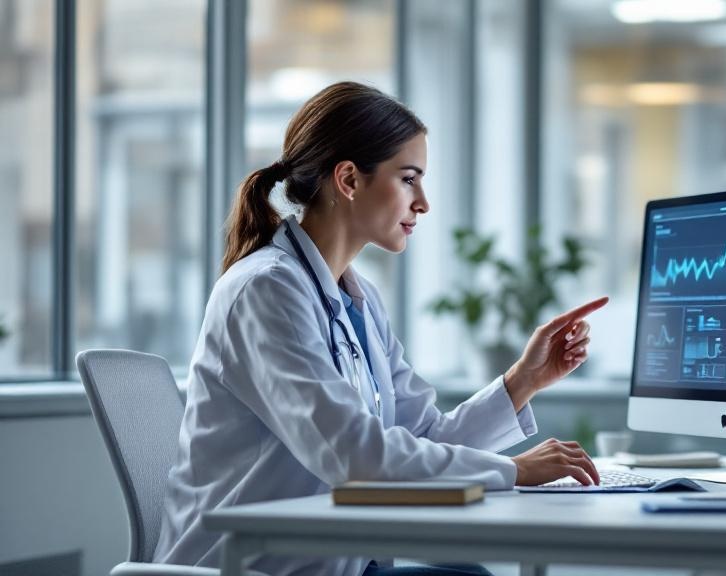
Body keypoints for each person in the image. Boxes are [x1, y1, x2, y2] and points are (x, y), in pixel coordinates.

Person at [154, 81, 607, 576]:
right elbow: (354, 457)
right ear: (349, 180)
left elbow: (423, 435)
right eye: (409, 179)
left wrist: (524, 380)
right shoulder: (266, 290)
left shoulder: (358, 299)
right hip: (248, 566)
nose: (423, 202)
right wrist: (514, 470)